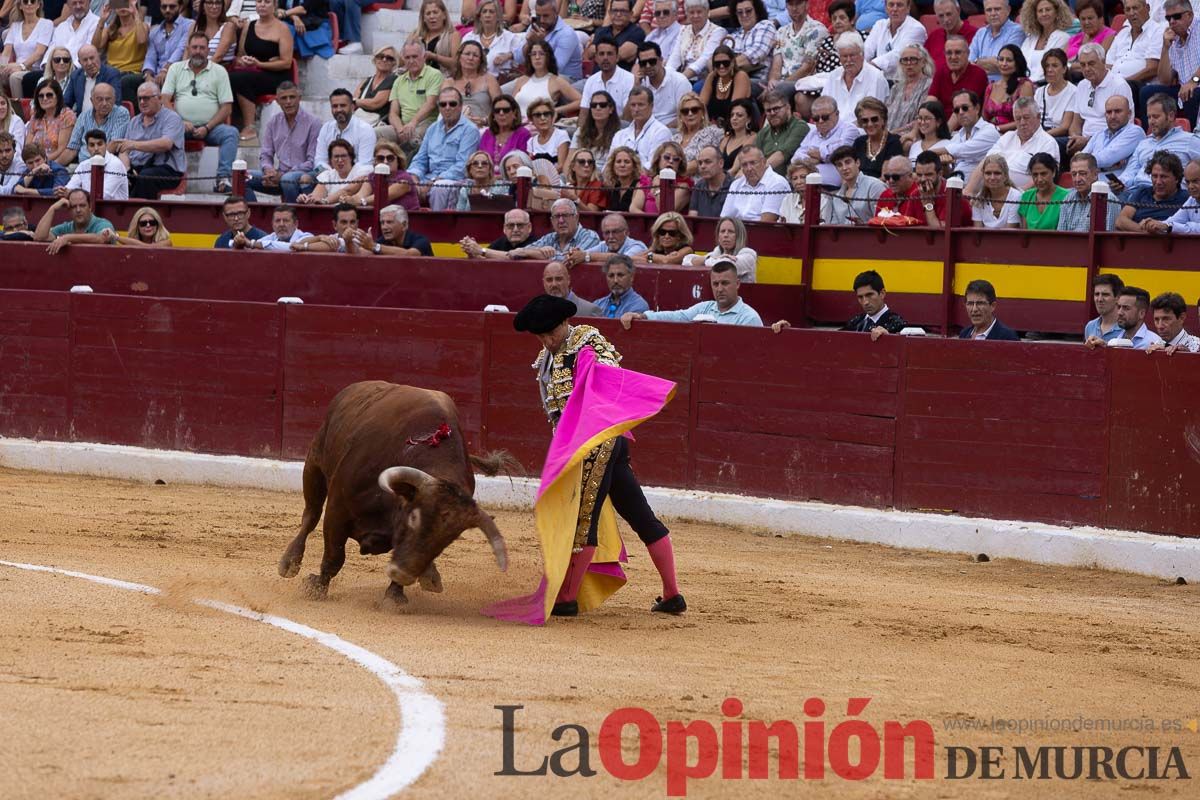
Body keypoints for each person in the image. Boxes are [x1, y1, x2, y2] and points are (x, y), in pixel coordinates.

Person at [510, 292, 685, 618]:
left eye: (551, 332)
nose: (548, 340)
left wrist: (589, 371)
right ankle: (672, 594)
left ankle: (566, 598)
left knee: (581, 518)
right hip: (594, 444)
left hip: (596, 443)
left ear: (565, 322)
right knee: (638, 512)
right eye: (541, 335)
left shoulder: (587, 343)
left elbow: (605, 382)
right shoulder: (547, 356)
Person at [162, 31, 236, 192]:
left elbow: (227, 108)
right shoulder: (175, 68)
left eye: (202, 48)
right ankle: (170, 179)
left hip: (211, 127)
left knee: (231, 133)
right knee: (165, 134)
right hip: (179, 125)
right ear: (188, 49)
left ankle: (223, 180)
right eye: (194, 47)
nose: (198, 51)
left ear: (208, 50)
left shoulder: (219, 71)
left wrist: (207, 127)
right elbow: (165, 100)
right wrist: (179, 122)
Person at [622, 258, 763, 327]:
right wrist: (644, 316)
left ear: (737, 284)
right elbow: (677, 316)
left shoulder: (749, 318)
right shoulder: (705, 307)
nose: (720, 289)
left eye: (725, 283)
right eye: (715, 284)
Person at [229, 0, 293, 143]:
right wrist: (243, 60)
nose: (262, 5)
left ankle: (250, 127)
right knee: (233, 77)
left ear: (275, 5)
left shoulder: (283, 29)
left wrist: (260, 64)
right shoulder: (249, 26)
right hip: (253, 71)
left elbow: (286, 62)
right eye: (259, 1)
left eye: (267, 2)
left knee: (239, 78)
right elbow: (240, 54)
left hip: (276, 75)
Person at [409, 86, 483, 211]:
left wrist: (433, 181)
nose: (447, 108)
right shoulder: (432, 128)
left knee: (440, 188)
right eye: (443, 104)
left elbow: (462, 165)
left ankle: (437, 226)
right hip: (429, 177)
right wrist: (414, 177)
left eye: (452, 104)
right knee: (404, 183)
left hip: (454, 179)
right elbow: (420, 159)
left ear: (460, 106)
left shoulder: (470, 130)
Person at [245, 80, 317, 202]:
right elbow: (265, 154)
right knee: (243, 177)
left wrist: (283, 175)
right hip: (278, 176)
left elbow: (312, 162)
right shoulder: (273, 122)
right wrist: (268, 170)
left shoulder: (313, 123)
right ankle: (252, 215)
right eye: (284, 98)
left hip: (303, 176)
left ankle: (291, 217)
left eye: (292, 97)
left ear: (299, 98)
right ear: (277, 101)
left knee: (287, 179)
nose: (288, 102)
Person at [966, 97, 1058, 192]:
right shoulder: (1007, 137)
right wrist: (968, 190)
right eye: (1018, 119)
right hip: (993, 192)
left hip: (1022, 198)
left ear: (1038, 117)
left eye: (1026, 118)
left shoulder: (1048, 143)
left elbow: (1043, 177)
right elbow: (985, 162)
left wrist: (1015, 196)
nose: (1022, 123)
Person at [109, 81, 183, 198]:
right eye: (140, 99)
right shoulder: (134, 121)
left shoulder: (172, 118)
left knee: (145, 177)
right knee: (114, 174)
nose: (142, 102)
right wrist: (126, 170)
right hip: (137, 168)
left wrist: (134, 145)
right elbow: (124, 149)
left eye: (146, 98)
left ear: (159, 98)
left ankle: (138, 211)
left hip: (166, 169)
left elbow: (166, 144)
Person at [1114, 92, 1200, 193]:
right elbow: (1130, 172)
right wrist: (1119, 183)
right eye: (1149, 117)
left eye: (1155, 116)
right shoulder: (1143, 143)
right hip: (1136, 192)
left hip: (1168, 196)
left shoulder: (1190, 141)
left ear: (1171, 116)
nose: (1151, 122)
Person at [1139, 0, 1200, 130]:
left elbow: (1192, 84)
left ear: (1189, 15)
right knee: (1147, 92)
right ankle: (1150, 135)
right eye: (1168, 18)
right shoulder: (1172, 36)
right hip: (1184, 88)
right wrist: (1165, 48)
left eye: (1176, 16)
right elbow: (1164, 80)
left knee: (1192, 94)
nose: (1172, 21)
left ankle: (1195, 138)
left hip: (1194, 87)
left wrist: (1193, 81)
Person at [1067, 44, 1134, 156]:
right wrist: (1075, 138)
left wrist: (1089, 141)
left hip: (1109, 143)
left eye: (1091, 63)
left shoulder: (1119, 85)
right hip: (1083, 141)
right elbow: (1076, 123)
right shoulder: (1082, 85)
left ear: (1103, 61)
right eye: (1083, 65)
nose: (1087, 69)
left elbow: (1122, 128)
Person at [388, 40, 443, 158]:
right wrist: (400, 129)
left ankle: (406, 171)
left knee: (413, 138)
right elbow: (393, 113)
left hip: (425, 122)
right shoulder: (399, 80)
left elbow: (431, 104)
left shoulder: (434, 74)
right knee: (374, 133)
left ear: (424, 57)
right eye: (407, 57)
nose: (411, 61)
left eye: (415, 56)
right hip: (403, 126)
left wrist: (413, 123)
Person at [790, 95, 859, 187]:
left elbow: (839, 153)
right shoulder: (813, 133)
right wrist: (818, 159)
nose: (821, 121)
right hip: (807, 185)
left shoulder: (849, 129)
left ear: (837, 113)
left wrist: (819, 155)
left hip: (833, 187)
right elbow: (796, 158)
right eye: (816, 118)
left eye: (825, 117)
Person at [932, 90, 999, 181]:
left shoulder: (989, 131)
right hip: (956, 186)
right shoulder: (957, 136)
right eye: (956, 110)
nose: (960, 112)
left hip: (979, 191)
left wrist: (930, 152)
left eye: (965, 108)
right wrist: (945, 165)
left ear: (977, 108)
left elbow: (963, 149)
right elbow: (951, 172)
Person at [1116, 151, 1190, 231]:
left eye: (1164, 177)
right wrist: (1147, 231)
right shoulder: (1142, 192)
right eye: (1154, 176)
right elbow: (1121, 221)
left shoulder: (1187, 199)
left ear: (1176, 178)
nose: (1158, 182)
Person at [767, 0, 828, 97]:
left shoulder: (817, 29)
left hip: (802, 81)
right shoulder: (781, 31)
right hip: (781, 83)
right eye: (791, 4)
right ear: (786, 6)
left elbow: (807, 68)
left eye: (798, 3)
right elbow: (776, 64)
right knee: (751, 85)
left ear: (807, 4)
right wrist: (772, 81)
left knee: (775, 92)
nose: (794, 8)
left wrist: (780, 85)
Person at [91, 0, 149, 102]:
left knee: (121, 81)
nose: (122, 7)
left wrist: (135, 14)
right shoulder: (111, 29)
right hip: (112, 72)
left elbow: (141, 40)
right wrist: (102, 21)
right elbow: (95, 46)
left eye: (126, 3)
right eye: (118, 3)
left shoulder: (142, 26)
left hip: (133, 73)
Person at [822, 31, 889, 119]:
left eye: (852, 55)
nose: (848, 60)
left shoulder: (876, 78)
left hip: (862, 130)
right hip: (833, 129)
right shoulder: (833, 76)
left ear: (862, 55)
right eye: (844, 56)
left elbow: (871, 117)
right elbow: (823, 109)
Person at [33, 187, 114, 254]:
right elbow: (39, 237)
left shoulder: (102, 223)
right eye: (73, 206)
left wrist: (68, 238)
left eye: (82, 205)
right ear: (68, 209)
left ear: (90, 207)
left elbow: (102, 238)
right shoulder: (66, 227)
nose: (78, 210)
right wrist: (52, 209)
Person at [517, 0, 582, 81]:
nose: (541, 20)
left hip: (565, 79)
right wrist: (529, 43)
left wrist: (541, 43)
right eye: (538, 16)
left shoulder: (567, 33)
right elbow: (518, 59)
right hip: (537, 77)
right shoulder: (534, 27)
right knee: (503, 90)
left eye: (546, 16)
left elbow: (556, 68)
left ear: (555, 13)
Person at [1, 0, 54, 99]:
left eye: (33, 1)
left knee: (14, 77)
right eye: (25, 2)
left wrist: (21, 66)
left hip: (35, 69)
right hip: (15, 67)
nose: (29, 4)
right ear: (20, 6)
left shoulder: (46, 24)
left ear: (38, 5)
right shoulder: (15, 26)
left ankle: (19, 110)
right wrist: (2, 67)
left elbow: (39, 52)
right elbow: (6, 52)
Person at [721, 145, 790, 222]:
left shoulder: (777, 183)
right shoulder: (736, 184)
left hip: (762, 232)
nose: (749, 168)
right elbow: (724, 219)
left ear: (764, 162)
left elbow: (766, 223)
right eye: (744, 165)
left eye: (753, 163)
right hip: (737, 231)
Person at [821, 143, 885, 224]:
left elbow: (883, 221)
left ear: (857, 163)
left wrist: (864, 225)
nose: (844, 168)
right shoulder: (837, 196)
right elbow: (833, 226)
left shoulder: (875, 186)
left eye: (847, 162)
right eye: (839, 165)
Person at [862, 0, 926, 80]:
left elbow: (899, 55)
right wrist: (860, 65)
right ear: (885, 8)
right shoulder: (879, 25)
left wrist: (869, 66)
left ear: (908, 8)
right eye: (891, 5)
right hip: (879, 79)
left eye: (899, 5)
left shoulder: (917, 29)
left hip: (904, 82)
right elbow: (866, 50)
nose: (895, 9)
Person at [578, 36, 634, 129]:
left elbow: (627, 118)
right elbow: (584, 113)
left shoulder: (629, 79)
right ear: (596, 58)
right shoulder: (591, 81)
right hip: (594, 129)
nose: (605, 58)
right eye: (601, 54)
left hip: (619, 129)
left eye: (609, 54)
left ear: (617, 57)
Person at [1079, 96, 1144, 173]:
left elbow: (1106, 159)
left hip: (1116, 183)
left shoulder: (1135, 132)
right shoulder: (1098, 134)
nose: (1113, 116)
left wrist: (1085, 162)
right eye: (1109, 112)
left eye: (1118, 111)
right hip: (1091, 181)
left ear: (1129, 114)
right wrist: (1105, 167)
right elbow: (1078, 161)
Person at [682, 215, 757, 280]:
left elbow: (726, 266)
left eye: (730, 231)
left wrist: (706, 261)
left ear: (739, 235)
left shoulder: (748, 254)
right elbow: (686, 261)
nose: (725, 235)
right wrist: (709, 259)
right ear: (718, 237)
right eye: (722, 231)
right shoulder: (717, 253)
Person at [1085, 286, 1163, 349]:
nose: (1119, 312)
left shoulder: (1154, 343)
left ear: (1141, 314)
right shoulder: (1115, 341)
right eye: (1119, 307)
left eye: (1126, 308)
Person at [611, 85, 672, 166]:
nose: (636, 109)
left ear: (651, 106)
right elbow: (609, 164)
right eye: (633, 105)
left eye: (641, 105)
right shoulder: (620, 135)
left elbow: (653, 166)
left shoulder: (661, 132)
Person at [1106, 0, 1163, 84]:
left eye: (1135, 8)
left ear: (1147, 8)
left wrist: (1123, 83)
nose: (1132, 13)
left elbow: (1152, 69)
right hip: (1114, 84)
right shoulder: (1122, 33)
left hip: (1138, 84)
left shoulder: (1157, 31)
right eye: (1128, 9)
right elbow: (1108, 65)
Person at [1057, 154, 1120, 232]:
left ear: (1095, 174)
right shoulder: (1068, 198)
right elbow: (1061, 234)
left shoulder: (1108, 199)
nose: (1077, 179)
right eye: (1074, 174)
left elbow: (1107, 238)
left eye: (1082, 173)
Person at [298, 138, 370, 205]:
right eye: (336, 157)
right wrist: (306, 199)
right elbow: (315, 197)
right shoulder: (327, 175)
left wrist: (325, 201)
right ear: (331, 160)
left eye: (343, 156)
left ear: (351, 157)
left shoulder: (362, 171)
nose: (340, 160)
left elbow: (348, 191)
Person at [928, 34, 988, 114]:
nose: (953, 57)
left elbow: (963, 110)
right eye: (949, 53)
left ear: (968, 53)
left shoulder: (978, 74)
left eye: (958, 52)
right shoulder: (941, 72)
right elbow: (930, 101)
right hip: (941, 122)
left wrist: (946, 127)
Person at [840, 269, 908, 339]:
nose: (865, 302)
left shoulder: (898, 325)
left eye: (869, 295)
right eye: (860, 297)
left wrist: (889, 339)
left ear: (882, 293)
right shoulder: (855, 322)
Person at [446, 41, 500, 128]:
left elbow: (500, 106)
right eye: (467, 54)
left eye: (475, 55)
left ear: (480, 61)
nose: (471, 58)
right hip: (456, 127)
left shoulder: (489, 80)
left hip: (484, 128)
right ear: (459, 57)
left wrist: (486, 120)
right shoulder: (449, 82)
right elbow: (444, 110)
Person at [462, 0, 523, 77]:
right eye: (484, 12)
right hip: (472, 81)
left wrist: (509, 55)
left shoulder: (510, 38)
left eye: (491, 12)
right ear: (479, 17)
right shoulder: (469, 38)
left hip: (500, 83)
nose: (487, 15)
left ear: (498, 17)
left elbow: (522, 57)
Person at [62, 128, 126, 199]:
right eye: (92, 145)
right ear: (87, 148)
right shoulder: (83, 165)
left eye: (99, 144)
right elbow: (70, 187)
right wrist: (63, 191)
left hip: (113, 208)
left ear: (106, 145)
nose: (96, 148)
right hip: (87, 207)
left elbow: (104, 195)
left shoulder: (115, 164)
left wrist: (73, 193)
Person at [983, 44, 1034, 133]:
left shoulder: (1024, 85)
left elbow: (1025, 119)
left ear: (1017, 63)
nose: (1004, 64)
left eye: (1009, 60)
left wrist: (997, 129)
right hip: (990, 135)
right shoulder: (990, 87)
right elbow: (984, 118)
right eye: (1001, 59)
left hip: (1014, 135)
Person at [755, 88, 807, 175]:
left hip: (788, 183)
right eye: (768, 110)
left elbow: (781, 156)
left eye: (776, 109)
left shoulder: (799, 126)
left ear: (788, 107)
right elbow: (752, 158)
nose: (772, 113)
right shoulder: (763, 133)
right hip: (763, 181)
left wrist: (756, 173)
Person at [631, 140, 692, 214]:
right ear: (658, 159)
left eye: (676, 159)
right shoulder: (647, 182)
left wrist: (657, 188)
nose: (671, 161)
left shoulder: (684, 186)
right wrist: (650, 221)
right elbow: (634, 208)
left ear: (680, 164)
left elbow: (666, 212)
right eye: (667, 157)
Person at [969, 0, 1024, 81]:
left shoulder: (1017, 31)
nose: (993, 14)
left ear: (1008, 10)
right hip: (980, 85)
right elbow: (968, 64)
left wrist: (977, 61)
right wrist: (993, 62)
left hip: (1006, 87)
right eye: (989, 10)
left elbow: (1007, 63)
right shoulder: (980, 33)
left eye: (997, 9)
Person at [671, 0, 723, 86]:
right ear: (687, 14)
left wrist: (680, 79)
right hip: (681, 77)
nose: (695, 16)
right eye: (691, 12)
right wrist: (668, 76)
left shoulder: (717, 32)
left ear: (707, 12)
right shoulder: (683, 30)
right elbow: (675, 57)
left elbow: (704, 59)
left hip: (702, 79)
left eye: (699, 12)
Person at [569, 211, 649, 267]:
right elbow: (583, 254)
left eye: (615, 232)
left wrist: (587, 256)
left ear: (627, 233)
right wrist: (576, 254)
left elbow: (622, 260)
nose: (611, 237)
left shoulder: (637, 246)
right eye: (607, 233)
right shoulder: (603, 245)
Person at [1034, 48, 1077, 149]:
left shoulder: (1073, 92)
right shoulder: (1040, 91)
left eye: (1054, 66)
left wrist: (1039, 137)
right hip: (1038, 135)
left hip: (1058, 138)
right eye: (1047, 66)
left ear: (1064, 69)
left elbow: (1064, 127)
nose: (1049, 70)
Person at [352, 46, 399, 138]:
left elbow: (376, 103)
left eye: (389, 58)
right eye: (381, 56)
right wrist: (355, 101)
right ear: (375, 59)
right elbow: (353, 102)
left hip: (377, 124)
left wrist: (356, 101)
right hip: (361, 121)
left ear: (394, 63)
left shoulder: (393, 79)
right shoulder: (367, 80)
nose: (384, 59)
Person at [1018, 0, 1070, 83]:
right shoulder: (1030, 38)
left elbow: (1052, 68)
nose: (1044, 14)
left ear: (1057, 13)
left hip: (1046, 85)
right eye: (1040, 11)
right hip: (1025, 85)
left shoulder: (1063, 37)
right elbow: (1020, 63)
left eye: (1048, 10)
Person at [851, 96, 903, 180]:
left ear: (883, 120)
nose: (870, 124)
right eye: (865, 120)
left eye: (874, 119)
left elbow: (885, 178)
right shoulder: (859, 142)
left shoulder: (893, 142)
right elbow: (851, 172)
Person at [26, 77, 74, 165]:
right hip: (33, 164)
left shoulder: (66, 115)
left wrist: (41, 162)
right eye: (41, 96)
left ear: (58, 96)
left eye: (49, 95)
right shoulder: (35, 117)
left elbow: (61, 149)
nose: (44, 98)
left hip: (55, 164)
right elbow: (27, 147)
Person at [886, 45, 933, 136]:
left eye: (913, 59)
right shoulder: (896, 88)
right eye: (905, 60)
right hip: (889, 135)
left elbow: (921, 119)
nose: (908, 63)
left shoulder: (929, 85)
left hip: (913, 136)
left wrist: (894, 133)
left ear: (923, 62)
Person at [1145, 157, 1200, 234]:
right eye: (1188, 182)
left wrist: (1170, 227)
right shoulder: (1192, 200)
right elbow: (1173, 221)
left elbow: (1197, 229)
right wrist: (1154, 225)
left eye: (1195, 181)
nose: (1190, 186)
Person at [62, 44, 120, 116]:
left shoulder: (111, 74)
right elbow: (66, 103)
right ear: (80, 62)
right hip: (81, 122)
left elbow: (115, 103)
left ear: (99, 56)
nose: (89, 63)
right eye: (85, 60)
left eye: (92, 58)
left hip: (104, 120)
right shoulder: (76, 76)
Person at [700, 45, 751, 125]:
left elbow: (734, 110)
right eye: (717, 63)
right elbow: (701, 105)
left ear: (733, 62)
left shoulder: (741, 76)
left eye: (725, 63)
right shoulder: (712, 77)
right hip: (711, 127)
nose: (721, 66)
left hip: (735, 128)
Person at [586, 0, 644, 71]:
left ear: (630, 14)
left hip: (621, 79)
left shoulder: (637, 32)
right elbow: (589, 54)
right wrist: (612, 52)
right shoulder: (601, 31)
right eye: (615, 11)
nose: (618, 14)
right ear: (609, 13)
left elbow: (621, 54)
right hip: (597, 78)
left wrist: (598, 52)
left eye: (623, 11)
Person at [1016, 152, 1068, 229]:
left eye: (1043, 174)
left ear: (1053, 172)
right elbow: (1024, 232)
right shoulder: (1026, 196)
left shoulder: (1066, 196)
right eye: (1035, 175)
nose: (1039, 179)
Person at [728, 0, 775, 85]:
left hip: (758, 81)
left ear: (757, 11)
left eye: (748, 11)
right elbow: (718, 57)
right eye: (740, 12)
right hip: (732, 77)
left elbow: (757, 53)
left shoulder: (765, 25)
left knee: (735, 84)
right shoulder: (734, 35)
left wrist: (725, 66)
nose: (744, 15)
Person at [480, 93, 531, 170]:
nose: (501, 113)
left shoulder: (523, 134)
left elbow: (522, 164)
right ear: (493, 115)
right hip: (487, 179)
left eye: (506, 110)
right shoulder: (488, 133)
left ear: (514, 113)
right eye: (497, 111)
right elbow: (481, 159)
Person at [459, 207, 535, 258]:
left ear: (529, 227)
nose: (515, 229)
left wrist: (481, 250)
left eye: (520, 225)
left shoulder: (536, 243)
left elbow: (515, 257)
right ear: (504, 228)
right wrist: (472, 253)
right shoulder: (501, 242)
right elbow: (483, 258)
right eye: (511, 225)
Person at [971, 153, 1022, 228]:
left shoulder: (1015, 196)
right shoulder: (978, 199)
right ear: (983, 175)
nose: (992, 177)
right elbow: (977, 231)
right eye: (988, 173)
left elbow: (1010, 233)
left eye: (997, 173)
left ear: (1005, 176)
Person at [926, 0, 977, 73]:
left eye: (949, 14)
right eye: (941, 16)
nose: (946, 20)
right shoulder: (934, 36)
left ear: (958, 11)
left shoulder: (975, 35)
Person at [233, 204, 311, 251]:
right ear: (272, 224)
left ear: (296, 224)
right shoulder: (272, 237)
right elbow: (250, 249)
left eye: (286, 221)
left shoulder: (307, 237)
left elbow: (291, 247)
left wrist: (251, 243)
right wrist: (239, 242)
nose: (281, 224)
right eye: (277, 221)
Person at [716, 97, 758, 178]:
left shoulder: (752, 137)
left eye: (739, 115)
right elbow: (717, 163)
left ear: (748, 119)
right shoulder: (726, 138)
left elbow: (735, 168)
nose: (734, 118)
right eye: (732, 115)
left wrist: (721, 180)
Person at [525, 97, 569, 168]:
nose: (543, 118)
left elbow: (561, 166)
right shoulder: (531, 142)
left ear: (552, 117)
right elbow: (531, 167)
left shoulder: (561, 135)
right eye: (537, 115)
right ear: (531, 119)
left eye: (546, 114)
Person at [689, 144, 732, 217]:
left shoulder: (734, 186)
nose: (702, 166)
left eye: (707, 162)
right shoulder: (698, 186)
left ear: (721, 163)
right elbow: (693, 218)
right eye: (700, 163)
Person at [560, 148, 606, 212]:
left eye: (590, 162)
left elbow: (592, 214)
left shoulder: (597, 186)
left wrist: (575, 199)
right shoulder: (570, 187)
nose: (586, 165)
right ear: (573, 166)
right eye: (581, 162)